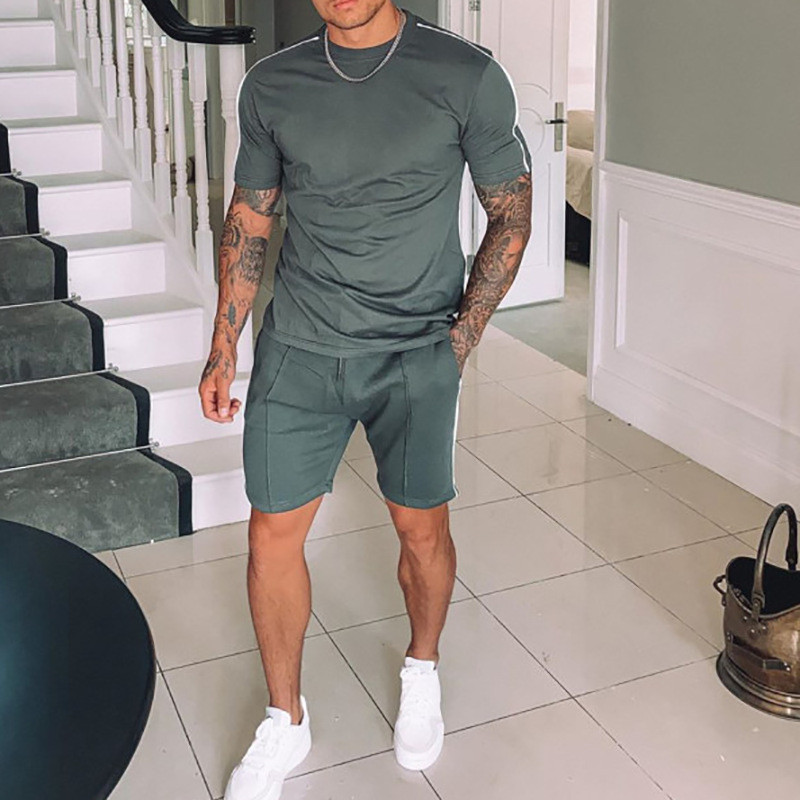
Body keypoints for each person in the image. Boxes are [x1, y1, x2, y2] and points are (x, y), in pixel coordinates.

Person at [198, 1, 532, 798]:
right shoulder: (272, 84)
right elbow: (251, 216)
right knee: (271, 536)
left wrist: (457, 342)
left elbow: (511, 215)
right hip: (299, 348)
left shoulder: (465, 75)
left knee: (421, 530)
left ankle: (422, 668)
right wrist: (224, 344)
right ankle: (285, 718)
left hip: (415, 352)